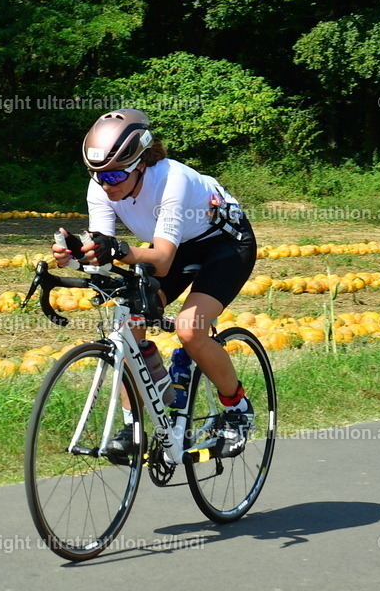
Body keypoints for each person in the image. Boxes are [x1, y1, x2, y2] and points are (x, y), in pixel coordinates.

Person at [52, 108, 257, 459]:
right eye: (98, 175)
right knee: (128, 323)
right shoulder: (103, 183)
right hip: (177, 245)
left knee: (191, 329)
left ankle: (237, 410)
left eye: (116, 175)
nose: (106, 184)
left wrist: (116, 249)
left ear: (140, 164)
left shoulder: (172, 179)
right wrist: (75, 256)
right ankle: (134, 427)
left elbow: (161, 258)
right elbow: (103, 245)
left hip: (225, 245)